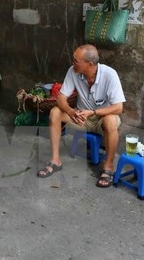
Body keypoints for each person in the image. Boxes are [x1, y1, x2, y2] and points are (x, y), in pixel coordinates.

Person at [37, 44, 125, 188]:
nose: (73, 63)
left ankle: (109, 167)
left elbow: (119, 107)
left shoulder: (109, 75)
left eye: (76, 60)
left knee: (110, 121)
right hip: (80, 117)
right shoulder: (73, 71)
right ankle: (55, 160)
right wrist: (71, 112)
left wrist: (93, 112)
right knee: (55, 112)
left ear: (89, 64)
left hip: (102, 119)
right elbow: (61, 99)